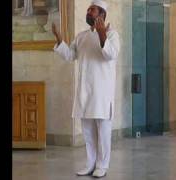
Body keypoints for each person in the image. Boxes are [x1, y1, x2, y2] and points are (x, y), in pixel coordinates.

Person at [51, 0, 120, 178]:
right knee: (88, 132)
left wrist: (102, 33)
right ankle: (90, 163)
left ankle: (102, 165)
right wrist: (59, 40)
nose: (88, 12)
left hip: (102, 93)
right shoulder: (81, 36)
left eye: (92, 10)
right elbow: (70, 55)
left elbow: (110, 54)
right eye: (88, 9)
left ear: (102, 14)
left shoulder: (112, 34)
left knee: (103, 133)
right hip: (84, 92)